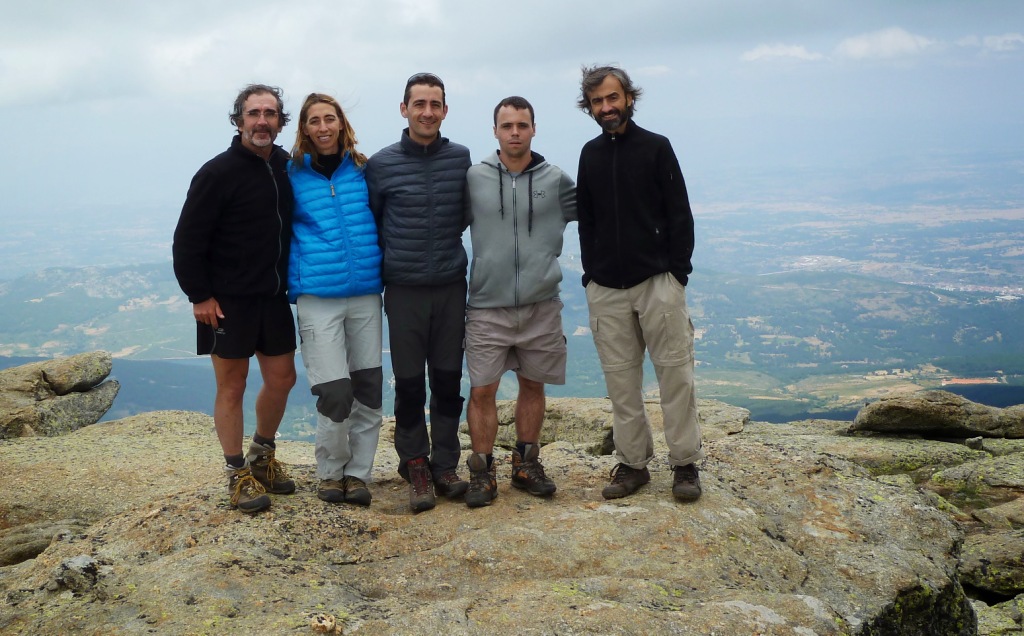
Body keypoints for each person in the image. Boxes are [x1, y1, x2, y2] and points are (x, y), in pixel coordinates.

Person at [575, 65, 704, 502]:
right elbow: (587, 219)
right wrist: (591, 275)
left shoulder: (656, 147)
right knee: (621, 384)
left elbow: (679, 213)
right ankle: (633, 464)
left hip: (657, 282)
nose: (606, 107)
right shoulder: (590, 154)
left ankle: (685, 464)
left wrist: (677, 274)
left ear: (629, 98)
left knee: (675, 377)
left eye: (613, 98)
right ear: (590, 107)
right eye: (597, 101)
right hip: (606, 288)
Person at [172, 84, 298, 513]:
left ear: (280, 121)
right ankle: (235, 472)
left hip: (273, 296)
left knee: (282, 378)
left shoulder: (285, 166)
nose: (262, 121)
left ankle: (261, 456)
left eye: (270, 113)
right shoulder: (217, 172)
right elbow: (187, 240)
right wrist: (199, 295)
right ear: (239, 120)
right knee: (232, 385)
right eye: (253, 113)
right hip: (226, 301)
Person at [462, 96, 577, 508]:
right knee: (482, 389)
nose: (514, 132)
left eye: (522, 125)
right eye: (507, 125)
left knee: (533, 384)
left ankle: (527, 464)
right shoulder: (474, 177)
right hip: (486, 304)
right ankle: (482, 471)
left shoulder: (556, 179)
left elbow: (598, 215)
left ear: (533, 129)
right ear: (494, 130)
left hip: (540, 303)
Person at [365, 73, 472, 513]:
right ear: (404, 108)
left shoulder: (461, 158)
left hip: (450, 285)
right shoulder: (381, 164)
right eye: (419, 104)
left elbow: (463, 215)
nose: (427, 112)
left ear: (445, 110)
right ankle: (414, 465)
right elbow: (374, 221)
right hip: (404, 289)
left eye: (435, 104)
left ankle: (445, 464)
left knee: (447, 381)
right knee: (409, 383)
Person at [287, 93, 384, 507]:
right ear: (304, 129)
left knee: (368, 388)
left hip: (365, 292)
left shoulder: (363, 170)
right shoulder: (290, 173)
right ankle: (330, 472)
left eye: (330, 119)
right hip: (317, 295)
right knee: (334, 391)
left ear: (341, 123)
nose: (323, 127)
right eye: (315, 121)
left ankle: (358, 474)